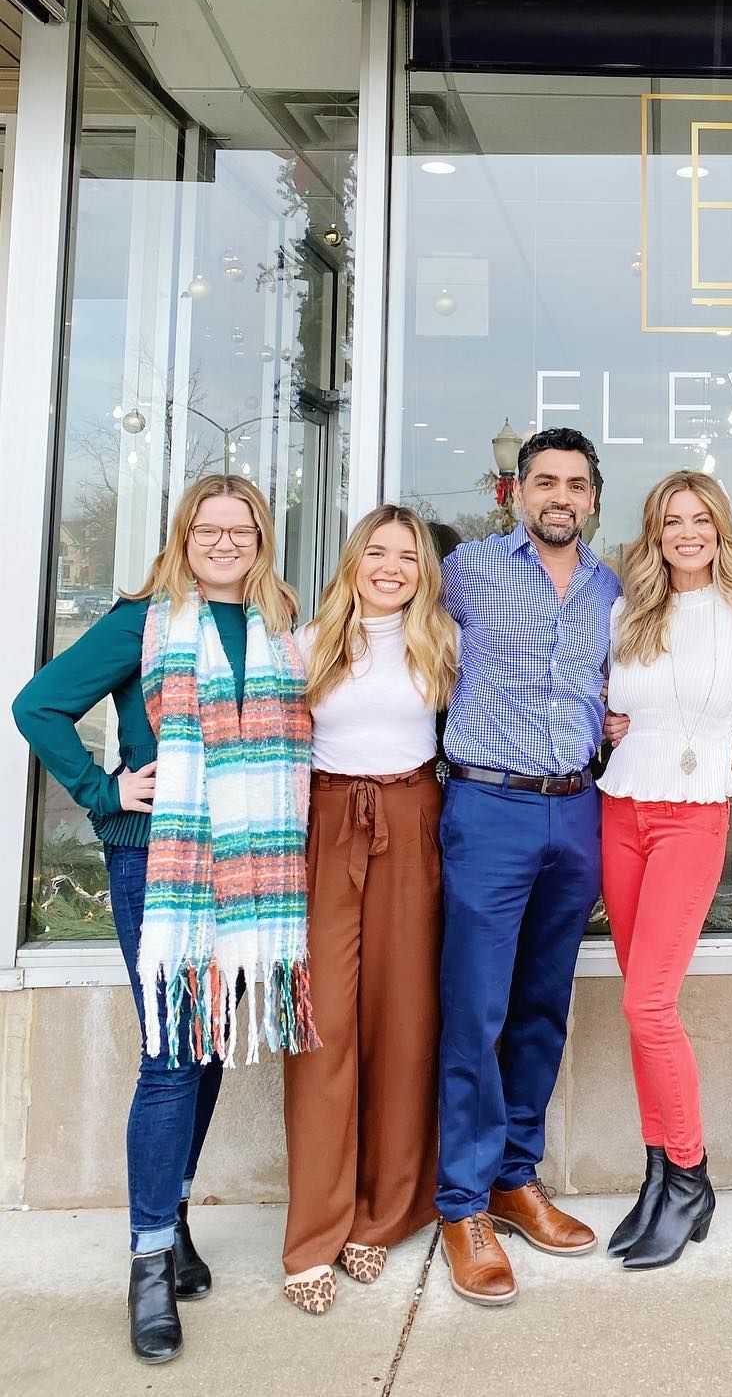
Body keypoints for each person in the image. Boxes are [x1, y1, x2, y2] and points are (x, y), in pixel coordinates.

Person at [12, 474, 312, 1364]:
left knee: (211, 1042)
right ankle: (147, 1261)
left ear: (262, 538)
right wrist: (108, 795)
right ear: (183, 537)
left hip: (252, 863)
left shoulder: (279, 627)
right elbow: (39, 706)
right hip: (161, 856)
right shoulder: (142, 622)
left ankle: (174, 1217)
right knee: (172, 1052)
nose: (225, 543)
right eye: (208, 529)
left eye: (241, 528)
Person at [434, 427, 621, 1307]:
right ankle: (462, 1201)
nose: (560, 496)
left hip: (577, 806)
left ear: (592, 497)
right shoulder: (467, 567)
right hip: (488, 802)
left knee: (545, 1003)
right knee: (476, 1005)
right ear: (515, 491)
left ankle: (516, 1174)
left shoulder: (612, 585)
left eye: (575, 484)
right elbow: (387, 631)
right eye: (544, 481)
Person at [597, 471, 732, 1270]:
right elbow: (606, 709)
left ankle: (692, 1173)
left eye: (699, 517)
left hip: (694, 815)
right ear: (655, 532)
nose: (685, 531)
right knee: (641, 1008)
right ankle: (657, 1173)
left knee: (650, 1002)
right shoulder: (626, 612)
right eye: (671, 519)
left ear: (720, 527)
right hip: (619, 809)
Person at [280, 505, 456, 1314]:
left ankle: (380, 1215)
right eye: (378, 552)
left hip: (413, 820)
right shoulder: (307, 642)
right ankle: (314, 1230)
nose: (392, 567)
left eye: (408, 557)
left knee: (402, 1019)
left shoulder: (444, 644)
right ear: (354, 559)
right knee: (323, 1027)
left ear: (425, 571)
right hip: (327, 826)